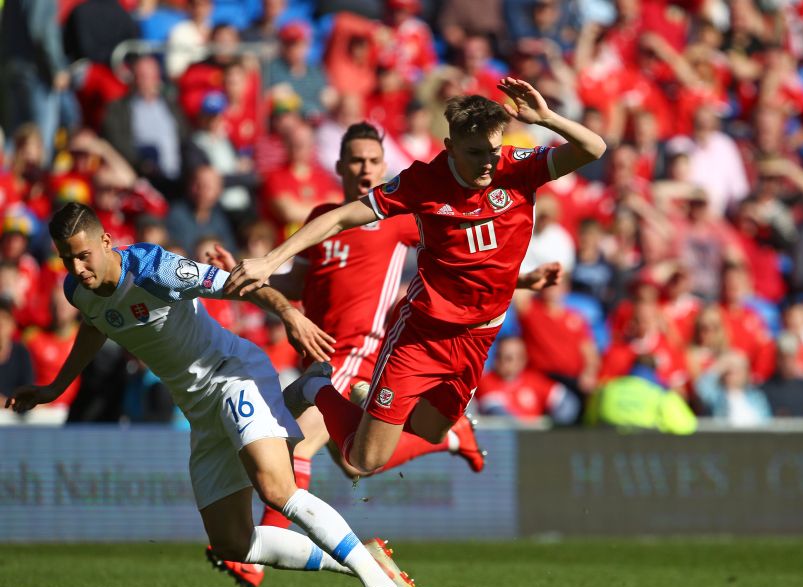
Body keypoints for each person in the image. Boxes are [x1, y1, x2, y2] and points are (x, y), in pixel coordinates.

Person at [7, 203, 421, 587]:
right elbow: (96, 325)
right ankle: (362, 556)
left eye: (83, 255)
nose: (76, 267)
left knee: (276, 489)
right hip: (200, 410)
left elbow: (239, 284)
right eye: (65, 258)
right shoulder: (77, 291)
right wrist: (54, 387)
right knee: (232, 543)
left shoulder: (154, 269)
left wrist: (288, 312)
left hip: (231, 374)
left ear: (106, 242)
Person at [225, 77, 605, 478]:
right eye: (475, 153)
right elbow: (340, 217)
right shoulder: (423, 183)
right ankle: (317, 388)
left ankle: (379, 406)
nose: (488, 163)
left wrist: (547, 118)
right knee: (362, 461)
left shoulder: (517, 168)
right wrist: (269, 261)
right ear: (450, 147)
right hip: (424, 334)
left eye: (493, 151)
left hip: (480, 336)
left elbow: (594, 148)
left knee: (429, 429)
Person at [206, 122, 486, 587]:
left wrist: (519, 281)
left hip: (359, 351)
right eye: (356, 160)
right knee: (351, 460)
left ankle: (256, 558)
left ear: (384, 166)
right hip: (317, 353)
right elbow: (295, 285)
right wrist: (236, 273)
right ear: (338, 166)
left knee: (297, 443)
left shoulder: (400, 218)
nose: (365, 168)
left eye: (373, 161)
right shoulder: (323, 214)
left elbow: (455, 258)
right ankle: (450, 435)